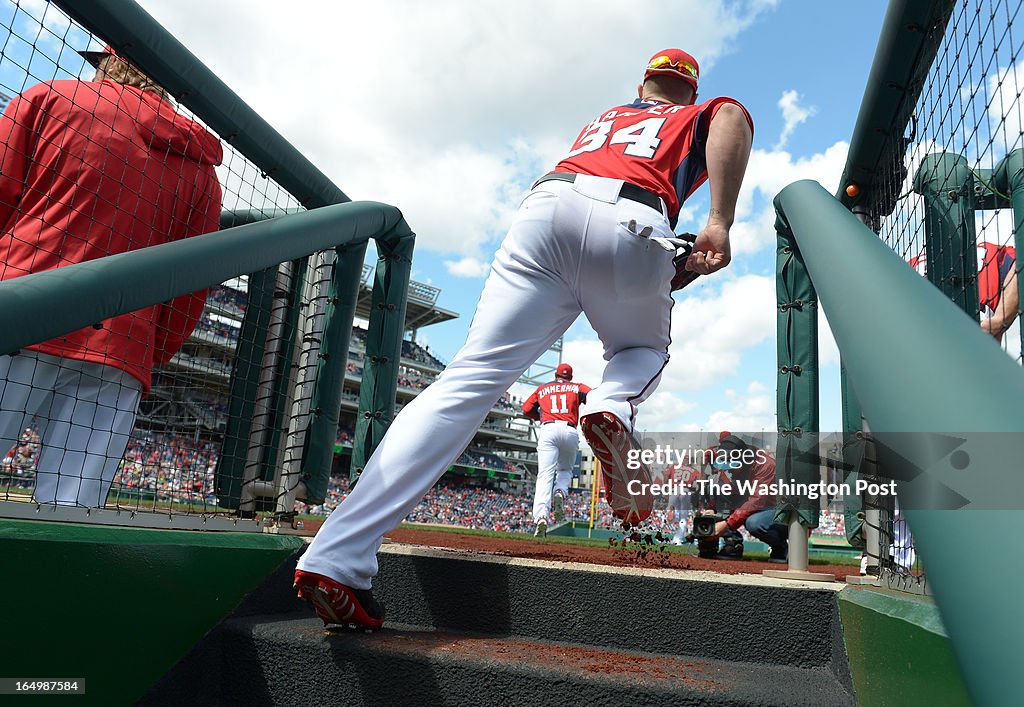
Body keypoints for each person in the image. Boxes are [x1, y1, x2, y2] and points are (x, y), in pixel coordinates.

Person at [294, 48, 753, 630]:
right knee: (640, 352)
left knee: (465, 382)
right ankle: (611, 404)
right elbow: (731, 116)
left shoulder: (607, 119)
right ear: (688, 92)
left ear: (642, 83)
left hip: (546, 207)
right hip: (634, 212)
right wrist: (719, 221)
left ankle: (335, 556)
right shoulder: (691, 115)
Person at [0, 44, 223, 507]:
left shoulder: (51, 99)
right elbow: (192, 282)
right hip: (121, 349)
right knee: (70, 509)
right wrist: (151, 349)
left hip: (21, 311)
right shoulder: (200, 164)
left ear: (109, 63)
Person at [521, 362, 590, 536]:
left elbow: (526, 409)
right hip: (569, 429)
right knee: (565, 470)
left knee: (545, 475)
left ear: (556, 375)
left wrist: (541, 416)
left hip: (548, 428)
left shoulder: (543, 388)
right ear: (570, 377)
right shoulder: (577, 387)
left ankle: (541, 518)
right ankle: (560, 492)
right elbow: (595, 397)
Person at [707, 434, 789, 563]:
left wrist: (726, 524)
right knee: (721, 493)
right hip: (759, 505)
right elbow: (721, 492)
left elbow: (756, 501)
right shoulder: (729, 462)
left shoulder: (766, 465)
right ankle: (733, 544)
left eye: (733, 465)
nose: (730, 470)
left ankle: (781, 547)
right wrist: (712, 510)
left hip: (780, 508)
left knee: (754, 523)